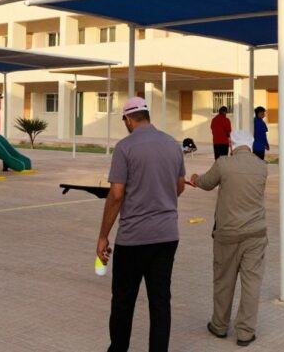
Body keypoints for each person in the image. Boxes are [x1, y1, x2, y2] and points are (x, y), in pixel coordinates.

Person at [97, 98, 186, 352]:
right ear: (147, 115)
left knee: (124, 301)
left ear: (127, 119)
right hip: (167, 236)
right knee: (160, 302)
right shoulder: (172, 144)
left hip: (133, 238)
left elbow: (116, 194)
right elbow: (179, 186)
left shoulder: (125, 148)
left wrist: (103, 235)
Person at [191, 129, 267, 347]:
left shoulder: (224, 163)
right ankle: (245, 332)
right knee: (252, 284)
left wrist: (195, 178)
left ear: (231, 144)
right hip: (256, 234)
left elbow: (206, 183)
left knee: (224, 281)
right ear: (250, 146)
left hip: (227, 234)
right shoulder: (262, 167)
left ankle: (220, 325)